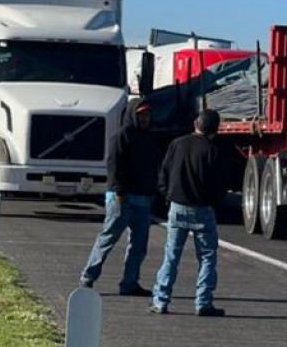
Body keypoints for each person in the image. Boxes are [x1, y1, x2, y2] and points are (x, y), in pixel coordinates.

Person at [149, 109, 228, 317]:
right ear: (215, 129)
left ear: (196, 123)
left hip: (177, 206)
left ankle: (161, 300)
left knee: (172, 254)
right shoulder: (212, 150)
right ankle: (203, 301)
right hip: (202, 208)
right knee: (208, 256)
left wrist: (168, 194)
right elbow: (220, 184)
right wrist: (214, 203)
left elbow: (163, 172)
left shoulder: (178, 144)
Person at [79, 98, 161, 295]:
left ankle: (130, 282)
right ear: (132, 114)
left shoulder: (150, 138)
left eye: (147, 114)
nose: (144, 118)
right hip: (121, 197)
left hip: (143, 198)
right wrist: (117, 192)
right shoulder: (121, 136)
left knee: (139, 245)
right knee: (108, 238)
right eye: (140, 114)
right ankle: (88, 277)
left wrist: (154, 191)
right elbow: (113, 165)